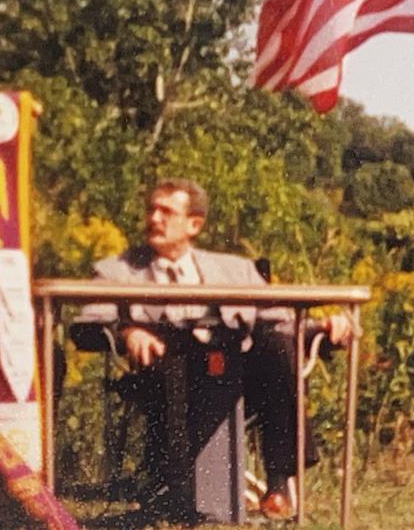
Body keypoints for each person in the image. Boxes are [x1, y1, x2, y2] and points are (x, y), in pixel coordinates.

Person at [80, 178, 353, 520]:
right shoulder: (118, 271)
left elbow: (281, 321)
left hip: (234, 377)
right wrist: (127, 332)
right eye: (151, 210)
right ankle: (175, 493)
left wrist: (323, 328)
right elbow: (86, 326)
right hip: (163, 375)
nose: (154, 219)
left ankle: (279, 482)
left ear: (194, 225)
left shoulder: (235, 269)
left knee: (278, 345)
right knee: (177, 362)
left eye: (166, 212)